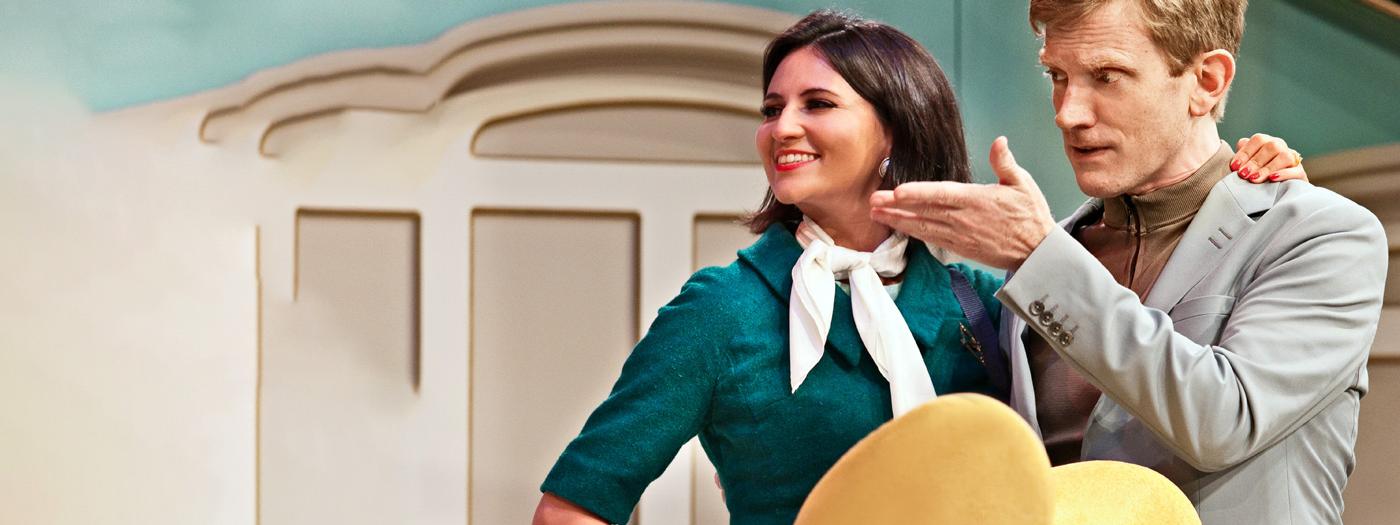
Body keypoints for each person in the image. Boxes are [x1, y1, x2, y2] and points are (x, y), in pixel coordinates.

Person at [535, 8, 1303, 525]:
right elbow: (573, 508)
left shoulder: (988, 301)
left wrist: (1247, 180)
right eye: (773, 108)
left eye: (817, 104)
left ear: (896, 128)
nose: (782, 128)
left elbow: (1151, 370)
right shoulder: (721, 309)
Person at [869, 1, 1387, 524]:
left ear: (1206, 81)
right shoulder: (1060, 248)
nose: (1068, 113)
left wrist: (1038, 255)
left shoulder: (1324, 232)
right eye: (1057, 75)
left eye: (1106, 76)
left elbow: (1223, 419)